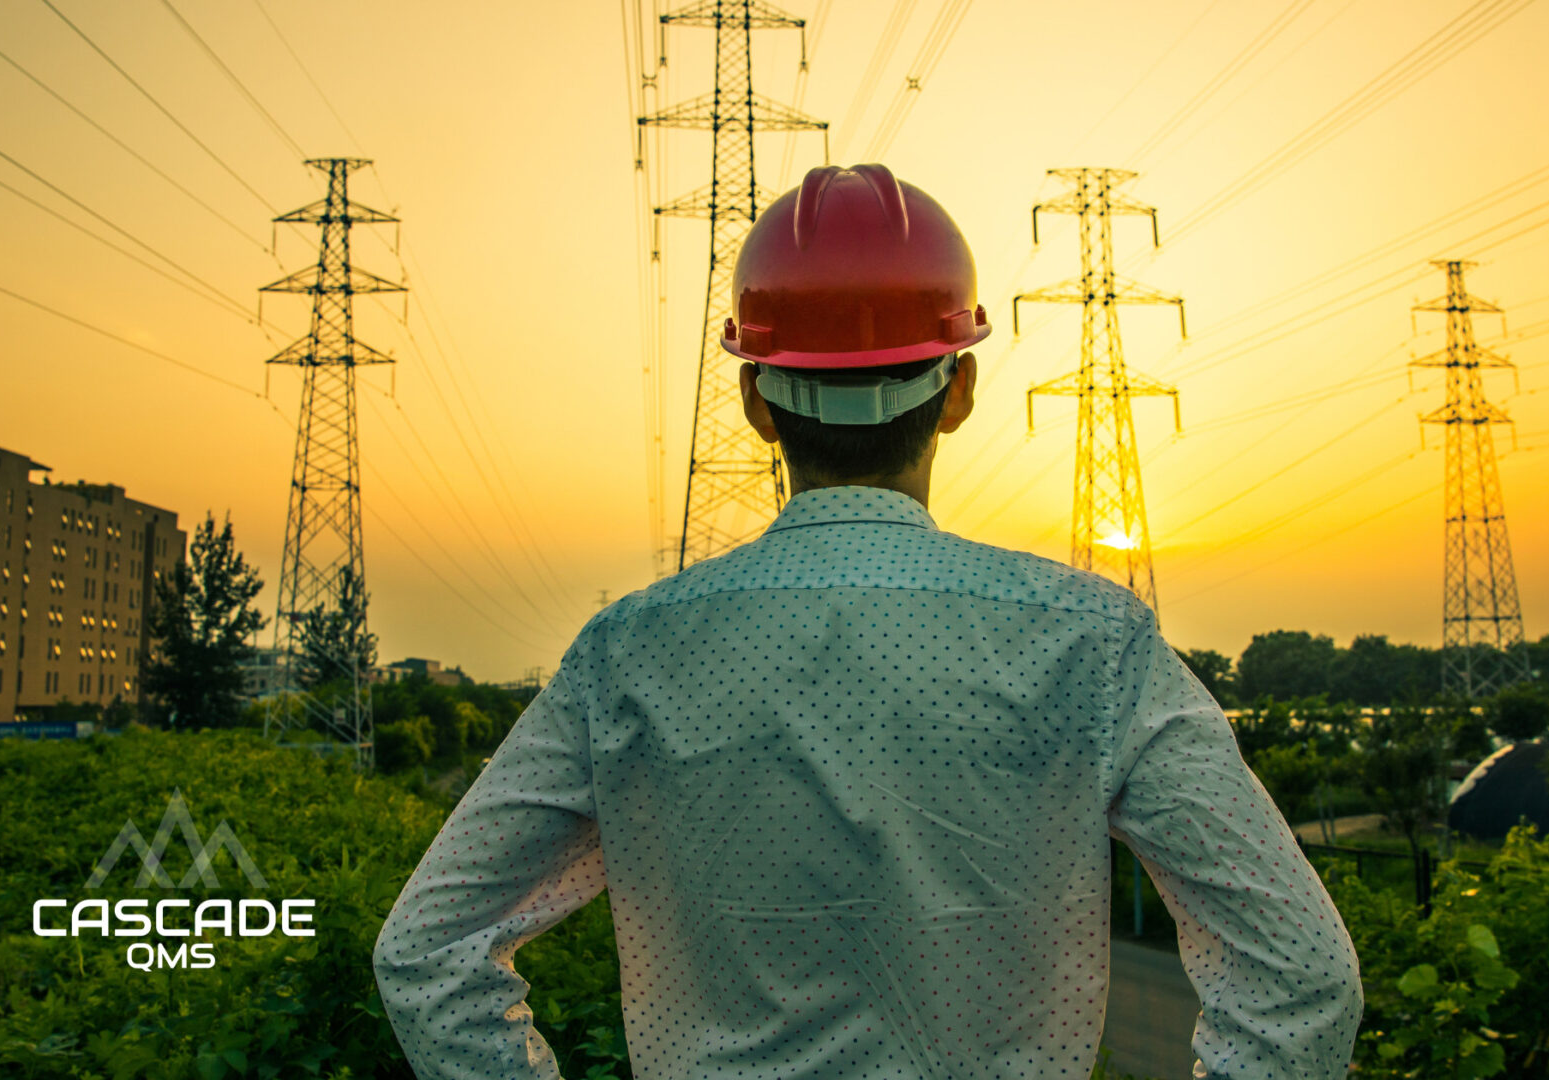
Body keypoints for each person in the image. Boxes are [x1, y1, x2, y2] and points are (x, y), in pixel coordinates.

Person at [373, 163, 1363, 1080]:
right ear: (959, 390)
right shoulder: (1091, 645)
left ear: (758, 399)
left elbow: (427, 954)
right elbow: (1303, 978)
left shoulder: (624, 656)